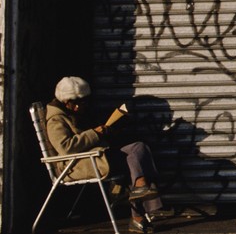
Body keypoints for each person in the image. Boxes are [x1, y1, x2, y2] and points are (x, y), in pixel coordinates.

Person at [45, 77, 163, 233]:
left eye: (84, 101)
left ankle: (141, 187)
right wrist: (95, 133)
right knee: (135, 160)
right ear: (67, 102)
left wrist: (109, 130)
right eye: (78, 103)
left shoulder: (77, 114)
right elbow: (66, 148)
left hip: (95, 157)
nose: (82, 106)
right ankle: (138, 212)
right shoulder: (56, 120)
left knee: (139, 148)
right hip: (77, 166)